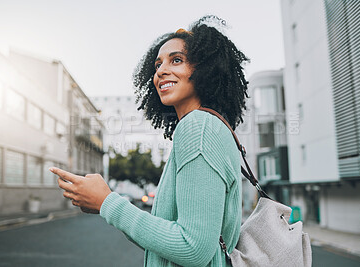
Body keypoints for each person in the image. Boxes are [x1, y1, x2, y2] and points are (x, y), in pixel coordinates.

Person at [50, 15, 250, 267]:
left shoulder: (198, 127)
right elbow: (167, 239)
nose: (161, 71)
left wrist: (107, 202)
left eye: (176, 60)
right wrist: (106, 205)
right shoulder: (211, 126)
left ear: (207, 69)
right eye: (157, 64)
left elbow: (193, 249)